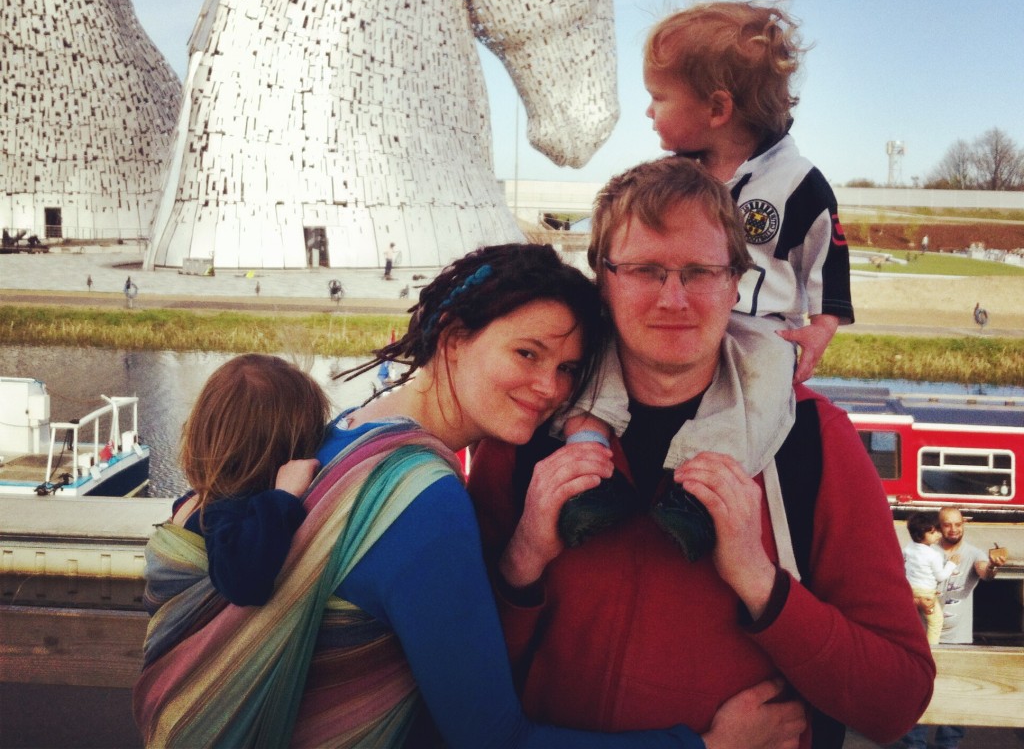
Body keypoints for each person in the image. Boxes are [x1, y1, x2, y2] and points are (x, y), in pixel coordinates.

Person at [134, 243, 802, 749]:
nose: (550, 388)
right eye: (528, 354)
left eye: (570, 369)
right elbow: (491, 739)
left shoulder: (340, 431)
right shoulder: (421, 495)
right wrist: (705, 747)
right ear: (454, 341)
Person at [469, 158, 934, 749]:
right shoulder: (530, 428)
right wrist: (522, 559)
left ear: (736, 281)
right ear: (602, 280)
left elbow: (896, 700)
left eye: (700, 270)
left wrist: (761, 584)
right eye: (644, 269)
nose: (674, 298)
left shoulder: (813, 442)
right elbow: (452, 671)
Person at [558, 1, 852, 556]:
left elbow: (827, 254)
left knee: (761, 397)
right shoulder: (679, 176)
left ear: (717, 107)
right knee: (599, 353)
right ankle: (589, 463)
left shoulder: (798, 181)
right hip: (694, 319)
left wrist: (822, 327)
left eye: (659, 97)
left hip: (762, 328)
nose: (648, 113)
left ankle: (700, 494)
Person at [146, 354, 328, 607]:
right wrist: (282, 497)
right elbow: (244, 586)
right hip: (202, 643)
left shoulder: (205, 499)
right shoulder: (224, 511)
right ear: (287, 448)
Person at [900, 506, 1004, 749]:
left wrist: (993, 566)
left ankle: (948, 744)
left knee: (958, 693)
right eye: (948, 524)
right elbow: (902, 583)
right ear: (938, 526)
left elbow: (984, 572)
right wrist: (914, 599)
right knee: (920, 692)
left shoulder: (973, 552)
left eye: (959, 524)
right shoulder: (924, 548)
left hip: (958, 636)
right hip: (923, 635)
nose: (954, 529)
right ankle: (915, 744)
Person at [902, 511, 955, 646]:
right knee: (936, 622)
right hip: (927, 594)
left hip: (911, 590)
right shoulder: (933, 554)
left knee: (913, 622)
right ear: (920, 535)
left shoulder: (908, 548)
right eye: (932, 532)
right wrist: (952, 564)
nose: (938, 534)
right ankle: (932, 650)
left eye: (937, 530)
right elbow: (941, 576)